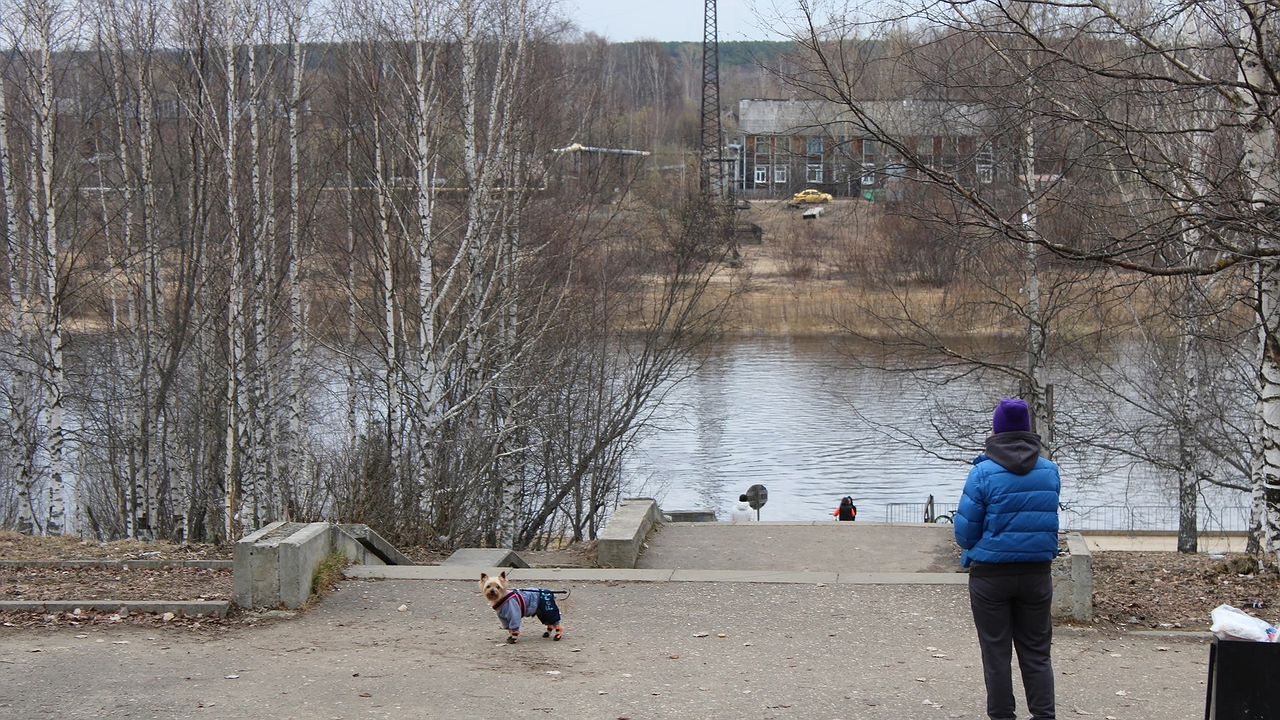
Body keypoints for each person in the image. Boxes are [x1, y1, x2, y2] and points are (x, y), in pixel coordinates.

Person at [954, 398, 1060, 720]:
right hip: (1036, 574)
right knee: (1037, 653)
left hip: (990, 576)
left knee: (996, 654)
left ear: (996, 430)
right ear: (1028, 429)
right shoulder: (1050, 471)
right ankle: (1044, 716)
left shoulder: (982, 472)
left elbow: (965, 534)